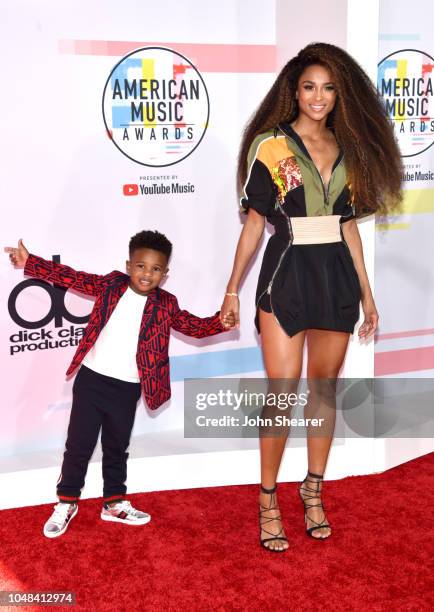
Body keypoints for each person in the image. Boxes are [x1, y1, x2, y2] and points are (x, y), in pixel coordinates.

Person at [220, 42, 402, 551]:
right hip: (285, 275)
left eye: (327, 88)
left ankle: (314, 489)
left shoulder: (353, 148)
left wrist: (368, 295)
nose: (318, 97)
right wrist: (232, 289)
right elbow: (255, 225)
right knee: (282, 393)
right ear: (293, 91)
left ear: (340, 94)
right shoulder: (269, 145)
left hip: (336, 277)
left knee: (323, 390)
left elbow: (348, 228)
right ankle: (268, 499)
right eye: (308, 87)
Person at [6, 231, 235, 538]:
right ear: (128, 265)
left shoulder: (166, 304)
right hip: (91, 379)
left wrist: (219, 322)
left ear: (165, 274)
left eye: (155, 269)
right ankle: (66, 501)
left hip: (127, 388)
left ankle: (114, 503)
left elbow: (190, 326)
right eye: (141, 266)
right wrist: (30, 262)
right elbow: (73, 277)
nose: (147, 274)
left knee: (117, 447)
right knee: (79, 446)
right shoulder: (111, 285)